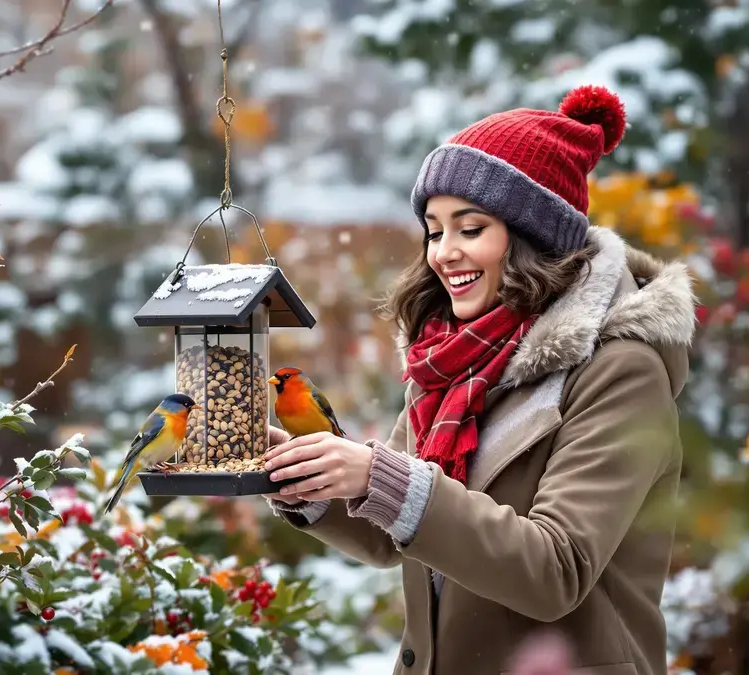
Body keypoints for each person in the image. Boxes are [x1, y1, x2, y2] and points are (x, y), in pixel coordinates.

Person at [262, 84, 697, 675]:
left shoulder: (621, 370)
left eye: (470, 229)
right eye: (434, 231)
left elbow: (556, 570)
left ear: (533, 239)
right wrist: (298, 473)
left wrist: (384, 476)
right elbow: (396, 530)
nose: (443, 254)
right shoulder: (450, 361)